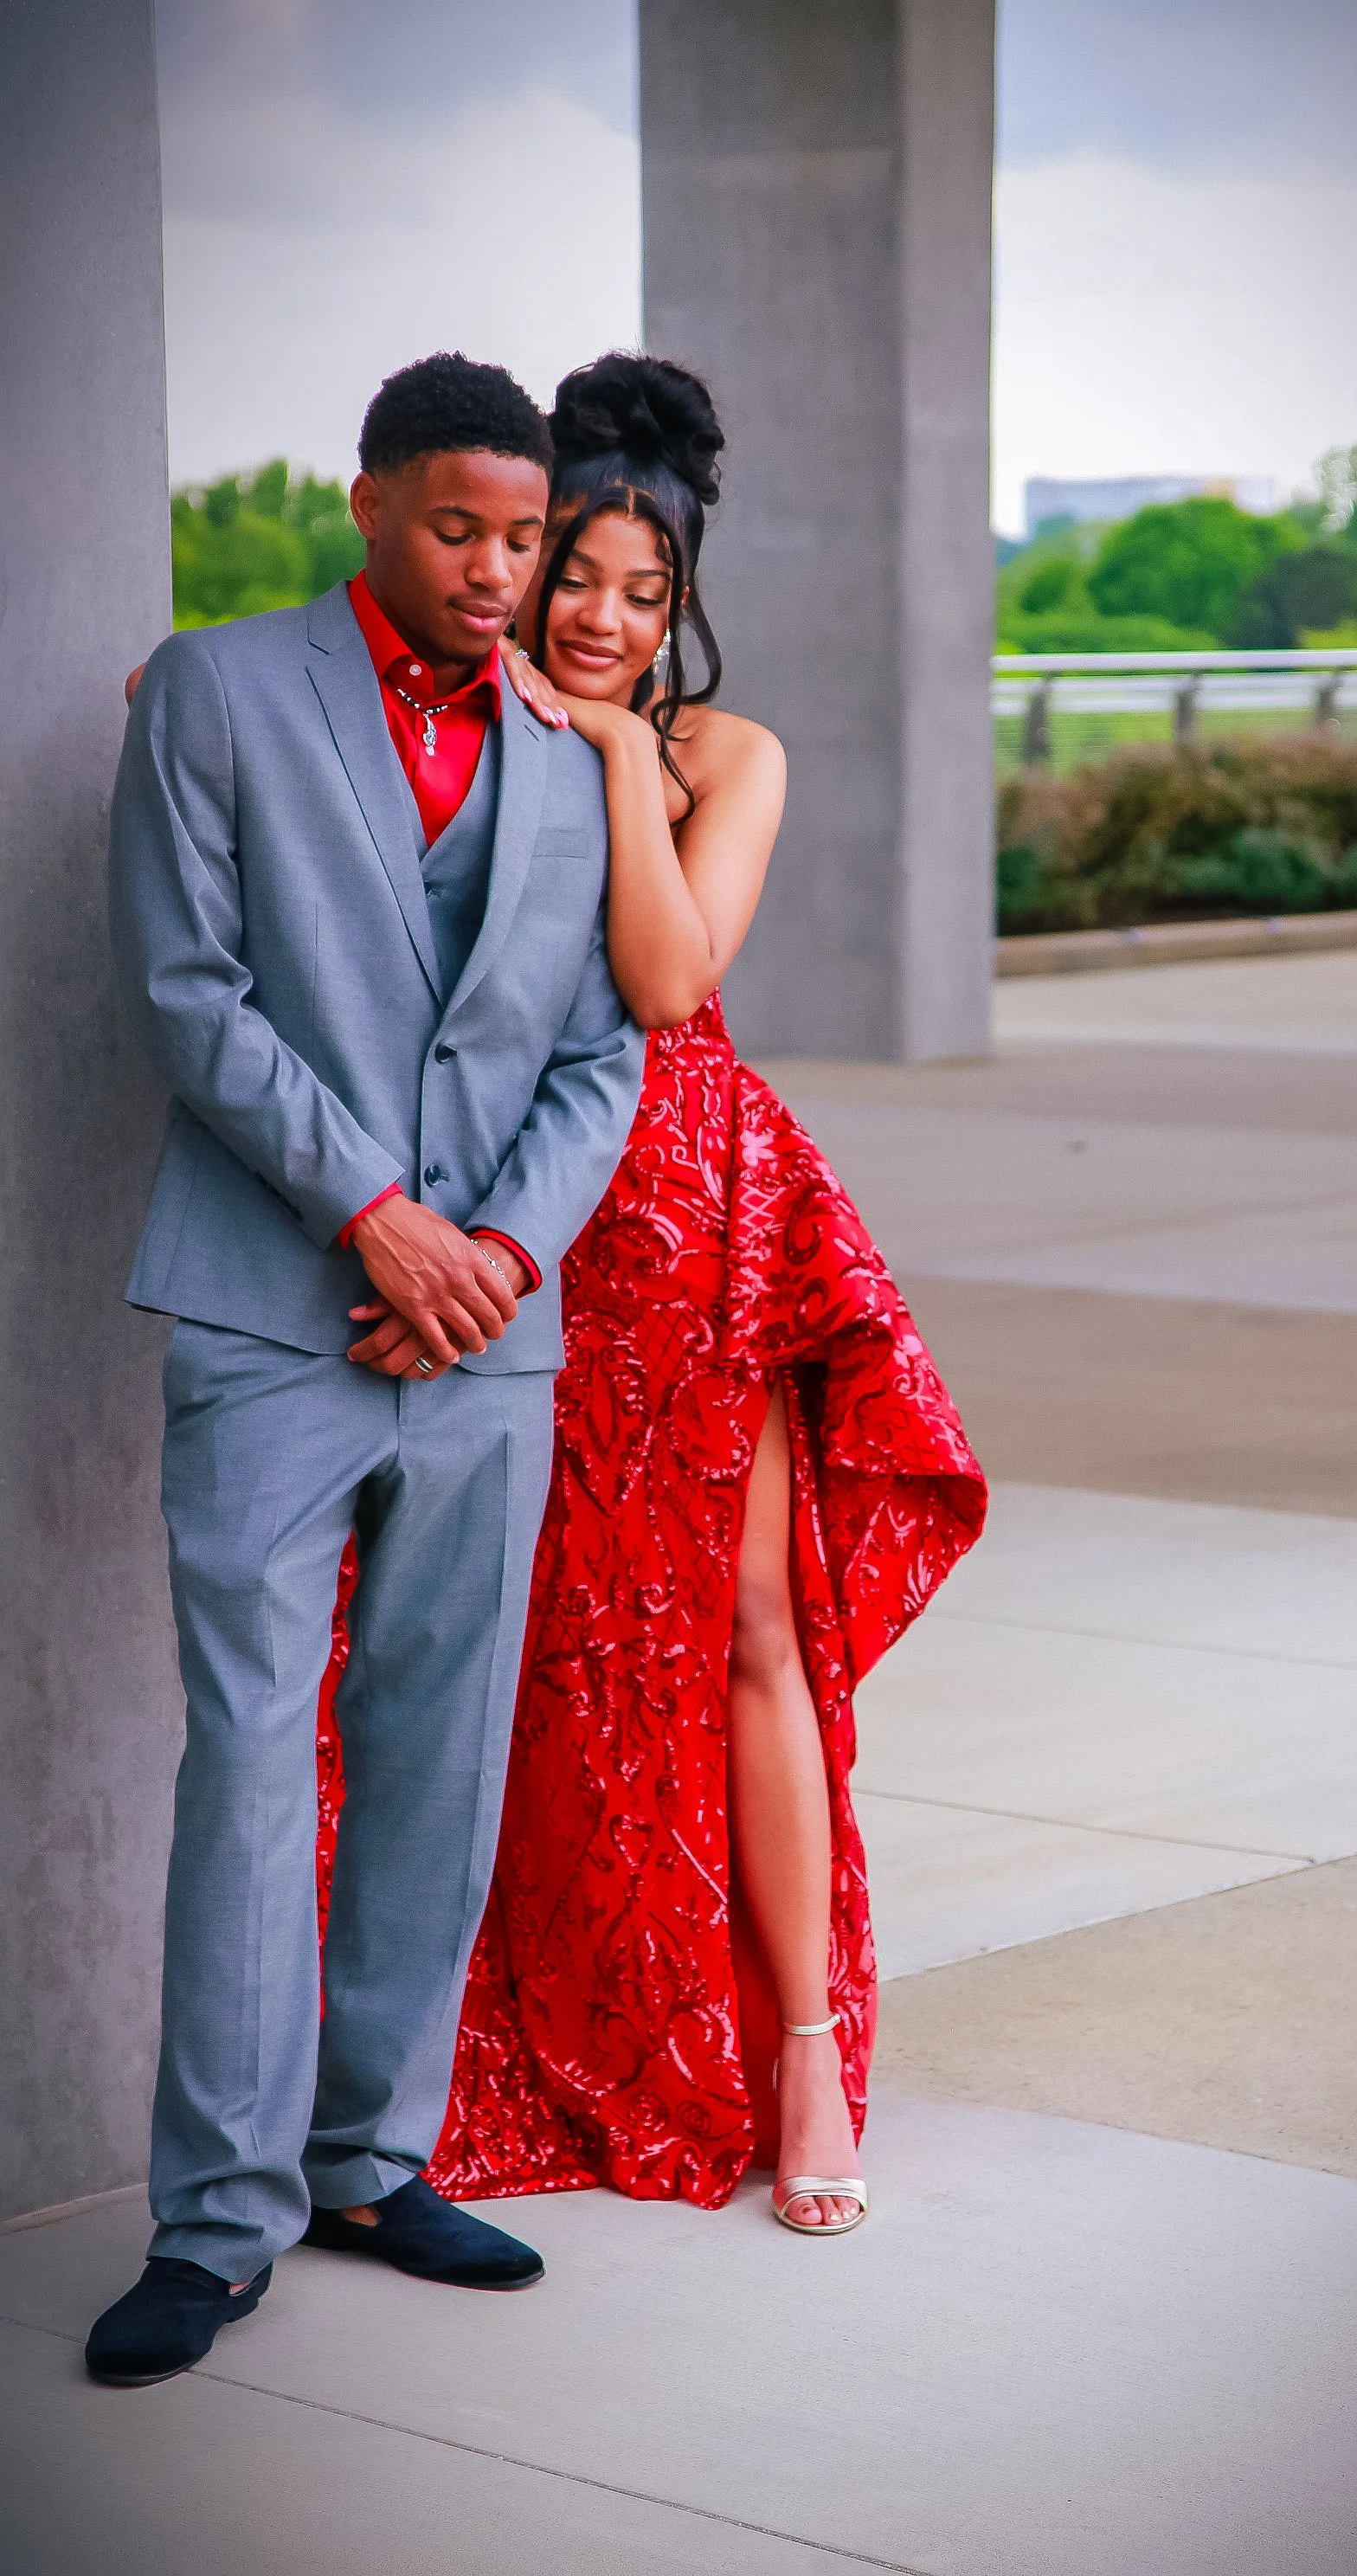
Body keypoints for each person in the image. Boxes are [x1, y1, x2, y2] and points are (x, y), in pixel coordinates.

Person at [318, 354, 987, 2234]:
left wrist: (614, 750)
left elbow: (675, 980)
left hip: (689, 1219)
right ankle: (483, 2039)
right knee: (511, 1652)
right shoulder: (445, 718)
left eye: (647, 590)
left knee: (754, 1628)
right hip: (503, 1217)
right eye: (577, 576)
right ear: (518, 564)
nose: (606, 618)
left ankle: (796, 2055)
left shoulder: (720, 754)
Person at [86, 354, 646, 2389]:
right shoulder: (218, 693)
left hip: (491, 1332)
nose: (499, 572)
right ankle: (211, 2220)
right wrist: (374, 1216)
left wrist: (490, 1253)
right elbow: (181, 983)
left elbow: (606, 1046)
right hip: (270, 1310)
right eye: (456, 530)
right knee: (249, 1754)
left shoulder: (578, 753)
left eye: (523, 537)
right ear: (366, 508)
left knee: (441, 1742)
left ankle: (368, 2158)